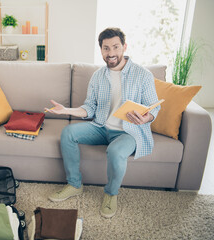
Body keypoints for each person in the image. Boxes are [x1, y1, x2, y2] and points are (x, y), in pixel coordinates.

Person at [45, 27, 160, 218]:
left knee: (115, 151)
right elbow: (89, 107)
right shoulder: (98, 76)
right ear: (101, 50)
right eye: (106, 48)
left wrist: (147, 117)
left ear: (124, 46)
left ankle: (111, 193)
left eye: (115, 47)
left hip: (129, 131)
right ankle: (74, 184)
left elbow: (154, 107)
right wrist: (66, 111)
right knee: (68, 133)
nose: (111, 53)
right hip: (101, 127)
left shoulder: (143, 75)